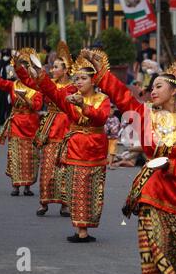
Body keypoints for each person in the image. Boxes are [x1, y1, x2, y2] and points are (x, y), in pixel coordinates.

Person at [89, 53, 176, 274]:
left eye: (159, 86)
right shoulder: (144, 115)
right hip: (152, 192)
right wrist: (103, 74)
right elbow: (122, 97)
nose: (153, 91)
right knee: (153, 252)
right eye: (152, 87)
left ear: (173, 91)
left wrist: (171, 165)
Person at [18, 50, 111, 243]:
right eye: (76, 79)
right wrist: (39, 72)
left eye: (83, 78)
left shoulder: (103, 100)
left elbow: (101, 117)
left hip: (95, 149)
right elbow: (50, 91)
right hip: (75, 147)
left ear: (93, 81)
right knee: (75, 187)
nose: (78, 82)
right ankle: (80, 230)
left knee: (92, 190)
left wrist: (84, 106)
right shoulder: (69, 98)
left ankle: (85, 227)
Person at [22, 41, 76, 217]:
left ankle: (65, 204)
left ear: (66, 70)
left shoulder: (73, 88)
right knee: (47, 169)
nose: (52, 70)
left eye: (56, 67)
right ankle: (44, 202)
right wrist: (20, 68)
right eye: (52, 67)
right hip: (50, 128)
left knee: (65, 169)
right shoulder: (49, 83)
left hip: (66, 127)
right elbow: (30, 82)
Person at [0, 48, 43, 197]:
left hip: (32, 126)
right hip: (16, 124)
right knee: (16, 155)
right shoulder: (13, 85)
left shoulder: (37, 88)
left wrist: (28, 101)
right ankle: (16, 185)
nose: (21, 71)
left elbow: (37, 106)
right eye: (20, 67)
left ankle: (27, 186)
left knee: (31, 157)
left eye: (25, 68)